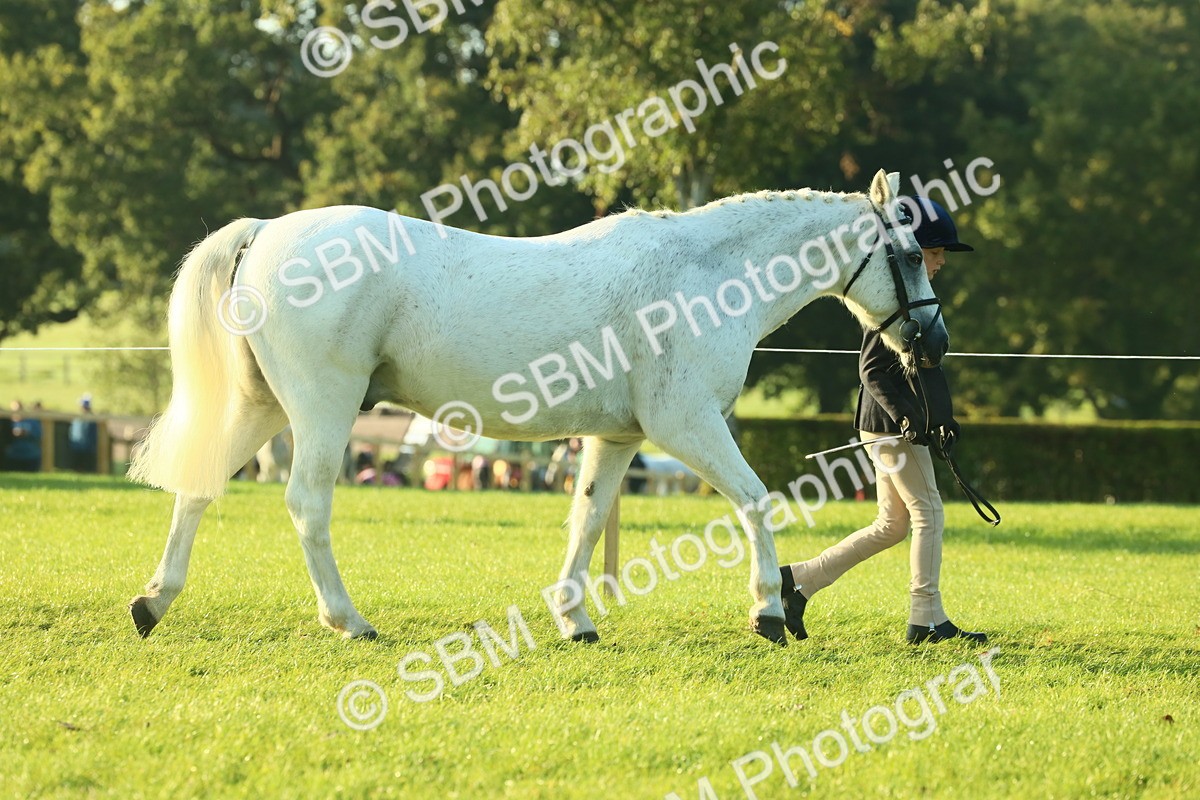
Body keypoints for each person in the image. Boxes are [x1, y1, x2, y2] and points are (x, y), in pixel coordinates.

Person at [780, 196, 987, 645]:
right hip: (891, 427)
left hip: (889, 425)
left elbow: (926, 369)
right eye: (936, 253)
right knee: (929, 513)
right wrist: (907, 418)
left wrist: (943, 418)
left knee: (891, 525)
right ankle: (926, 619)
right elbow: (872, 370)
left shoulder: (917, 302)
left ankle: (798, 580)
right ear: (914, 250)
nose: (941, 263)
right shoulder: (892, 303)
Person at [68, 394, 99, 472]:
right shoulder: (77, 418)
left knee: (86, 465)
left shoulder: (91, 419)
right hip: (77, 446)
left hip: (87, 448)